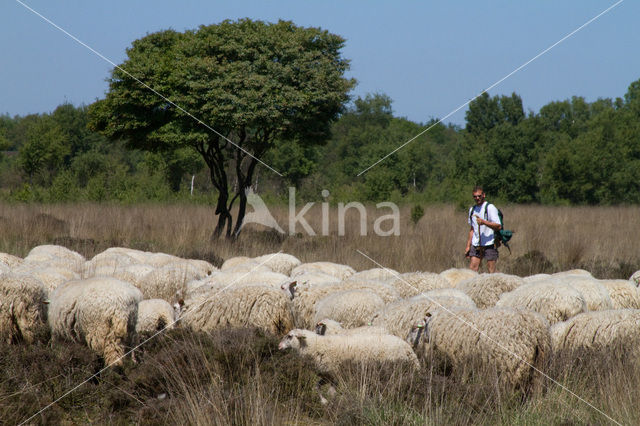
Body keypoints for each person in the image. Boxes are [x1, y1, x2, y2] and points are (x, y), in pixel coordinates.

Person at [465, 186, 502, 273]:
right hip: (476, 244)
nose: (477, 198)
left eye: (479, 196)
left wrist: (484, 222)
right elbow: (472, 229)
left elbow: (498, 226)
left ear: (484, 195)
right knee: (472, 269)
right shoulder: (472, 210)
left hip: (490, 243)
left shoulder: (490, 207)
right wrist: (468, 246)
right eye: (475, 196)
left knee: (491, 270)